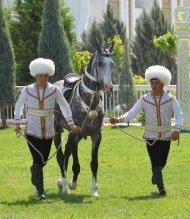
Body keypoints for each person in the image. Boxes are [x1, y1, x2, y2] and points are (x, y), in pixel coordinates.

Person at [110, 65, 183, 196]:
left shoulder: (171, 99)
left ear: (163, 84)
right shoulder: (144, 99)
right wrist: (119, 119)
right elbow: (132, 113)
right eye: (152, 83)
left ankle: (156, 175)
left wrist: (177, 130)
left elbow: (179, 114)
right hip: (150, 136)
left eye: (157, 83)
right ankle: (162, 189)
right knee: (155, 161)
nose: (154, 86)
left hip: (166, 135)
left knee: (163, 162)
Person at [14, 58, 80, 200]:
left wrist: (71, 124)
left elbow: (64, 106)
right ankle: (40, 191)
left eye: (45, 75)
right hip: (32, 130)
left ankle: (35, 173)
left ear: (49, 75)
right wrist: (17, 123)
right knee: (37, 158)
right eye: (40, 75)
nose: (43, 78)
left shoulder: (55, 90)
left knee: (43, 160)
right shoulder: (27, 90)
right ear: (35, 75)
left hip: (49, 131)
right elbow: (19, 105)